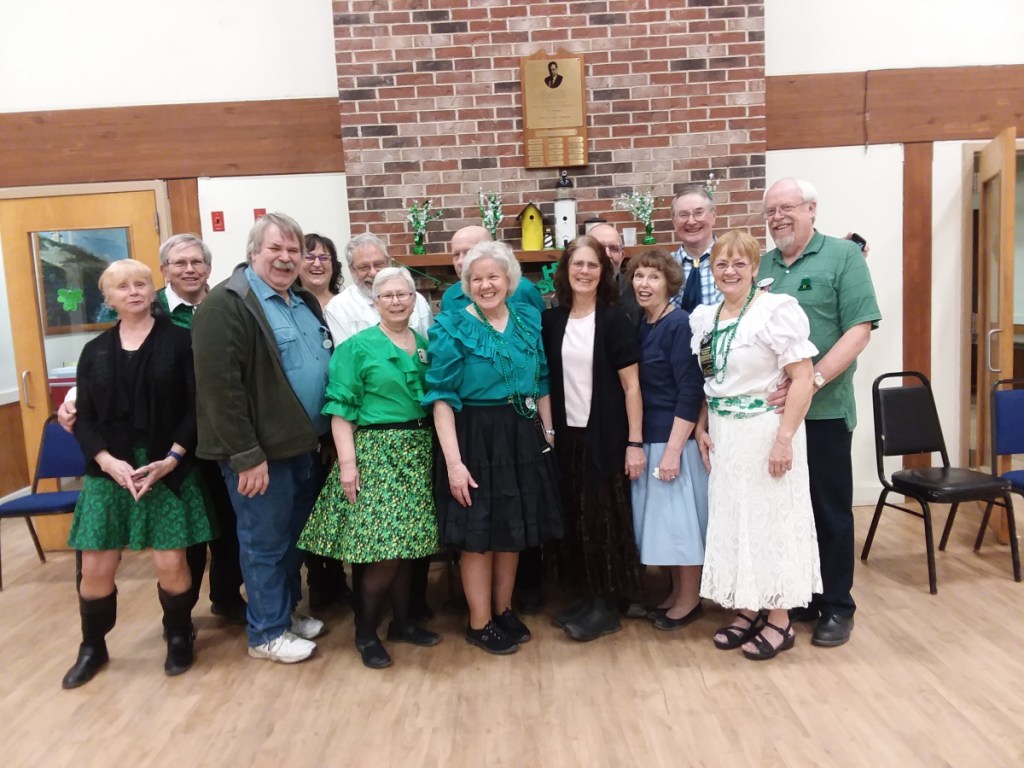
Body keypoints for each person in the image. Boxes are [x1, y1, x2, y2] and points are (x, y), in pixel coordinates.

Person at [58, 234, 247, 625]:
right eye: (179, 263)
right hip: (167, 448)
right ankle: (181, 620)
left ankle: (227, 599)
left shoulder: (229, 307)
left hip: (218, 438)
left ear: (209, 268)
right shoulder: (153, 314)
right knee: (179, 546)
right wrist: (74, 400)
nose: (189, 269)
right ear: (164, 272)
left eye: (196, 262)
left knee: (228, 527)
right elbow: (115, 374)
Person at [61, 259, 212, 688]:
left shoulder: (181, 342)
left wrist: (173, 458)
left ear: (153, 290)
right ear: (108, 298)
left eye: (141, 284)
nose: (133, 291)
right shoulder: (94, 352)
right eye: (122, 286)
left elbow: (195, 407)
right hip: (109, 470)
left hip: (165, 468)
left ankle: (179, 634)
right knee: (95, 568)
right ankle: (92, 646)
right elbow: (84, 418)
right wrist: (107, 461)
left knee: (171, 562)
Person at [192, 212, 332, 664]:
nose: (287, 258)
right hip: (260, 456)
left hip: (302, 446)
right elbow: (219, 389)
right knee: (264, 543)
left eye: (295, 251)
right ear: (254, 252)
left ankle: (285, 615)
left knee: (293, 540)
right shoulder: (226, 304)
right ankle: (266, 633)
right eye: (276, 249)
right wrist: (246, 455)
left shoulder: (303, 302)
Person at [424, 241, 563, 654]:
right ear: (466, 285)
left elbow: (540, 382)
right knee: (477, 535)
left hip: (521, 433)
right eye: (477, 278)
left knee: (512, 530)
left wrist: (548, 433)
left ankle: (503, 610)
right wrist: (453, 463)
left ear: (509, 280)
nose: (486, 285)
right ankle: (479, 621)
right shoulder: (451, 326)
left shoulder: (527, 319)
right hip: (474, 436)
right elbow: (442, 398)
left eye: (494, 276)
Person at [759, 178, 880, 649]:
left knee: (829, 510)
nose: (777, 218)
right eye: (770, 211)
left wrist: (811, 382)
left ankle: (836, 606)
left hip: (824, 412)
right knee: (789, 512)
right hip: (769, 418)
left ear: (811, 208)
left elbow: (859, 330)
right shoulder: (763, 265)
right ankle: (801, 596)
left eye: (786, 208)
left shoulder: (843, 257)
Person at [690, 230, 822, 660]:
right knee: (736, 521)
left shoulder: (774, 312)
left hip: (767, 432)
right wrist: (702, 426)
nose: (729, 271)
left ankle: (780, 619)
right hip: (726, 436)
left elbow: (802, 378)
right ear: (713, 270)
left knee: (772, 521)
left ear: (754, 268)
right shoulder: (706, 319)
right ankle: (748, 609)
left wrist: (784, 438)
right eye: (721, 264)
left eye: (739, 264)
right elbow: (712, 381)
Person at [300, 267, 440, 669]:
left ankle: (404, 623)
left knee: (409, 546)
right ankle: (365, 632)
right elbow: (341, 412)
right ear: (375, 302)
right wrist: (348, 464)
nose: (397, 301)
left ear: (415, 301)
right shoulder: (356, 348)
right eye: (387, 295)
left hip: (418, 450)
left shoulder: (426, 344)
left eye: (404, 294)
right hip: (377, 453)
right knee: (382, 552)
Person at [542, 235, 645, 641]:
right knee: (578, 519)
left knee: (604, 521)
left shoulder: (615, 319)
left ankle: (607, 605)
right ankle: (587, 596)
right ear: (565, 271)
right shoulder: (553, 320)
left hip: (606, 436)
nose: (584, 272)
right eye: (577, 265)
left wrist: (634, 443)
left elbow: (632, 386)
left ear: (604, 273)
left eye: (593, 265)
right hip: (567, 438)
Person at [628, 249, 709, 631]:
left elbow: (691, 390)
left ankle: (690, 599)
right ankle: (678, 593)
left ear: (670, 284)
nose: (644, 284)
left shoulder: (680, 324)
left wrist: (675, 451)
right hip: (650, 438)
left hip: (673, 441)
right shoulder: (645, 324)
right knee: (666, 527)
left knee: (681, 527)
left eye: (653, 277)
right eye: (639, 276)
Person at [295, 232, 352, 611]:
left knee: (340, 506)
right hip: (307, 425)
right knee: (311, 507)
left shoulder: (348, 306)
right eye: (309, 256)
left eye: (324, 257)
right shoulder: (294, 306)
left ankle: (339, 582)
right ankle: (319, 582)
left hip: (346, 420)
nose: (317, 263)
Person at [323, 233, 433, 342]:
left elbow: (430, 346)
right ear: (352, 270)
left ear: (389, 262)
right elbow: (346, 356)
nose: (373, 273)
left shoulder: (416, 300)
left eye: (378, 264)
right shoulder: (338, 309)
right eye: (364, 267)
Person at [439, 225, 546, 314]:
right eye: (456, 255)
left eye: (468, 252)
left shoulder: (524, 290)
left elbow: (543, 334)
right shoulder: (450, 297)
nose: (460, 261)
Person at [670, 184, 721, 312]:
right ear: (674, 221)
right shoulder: (664, 267)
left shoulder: (736, 262)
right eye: (683, 215)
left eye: (698, 213)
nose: (691, 221)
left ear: (713, 216)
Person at [589, 222, 640, 324]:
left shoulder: (637, 292)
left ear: (622, 256)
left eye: (614, 248)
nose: (607, 255)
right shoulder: (567, 297)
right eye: (599, 248)